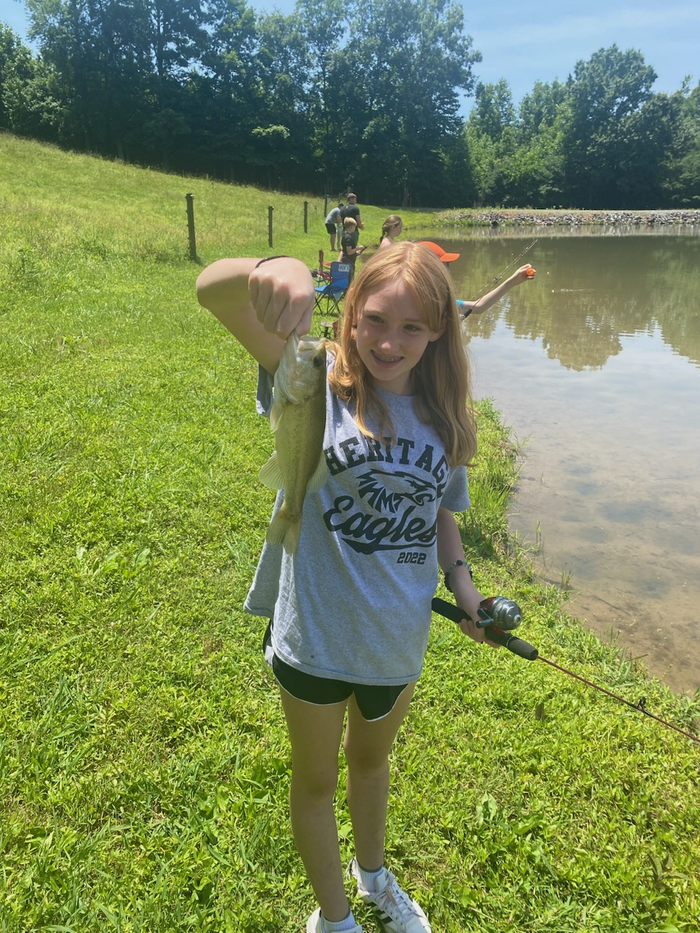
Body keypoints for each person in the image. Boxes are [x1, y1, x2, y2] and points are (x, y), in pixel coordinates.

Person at [195, 243, 495, 933]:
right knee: (317, 779)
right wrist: (278, 269)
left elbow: (441, 510)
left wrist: (466, 586)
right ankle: (334, 919)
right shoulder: (315, 377)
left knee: (371, 762)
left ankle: (373, 875)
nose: (390, 341)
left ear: (440, 331)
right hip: (316, 638)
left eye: (413, 327)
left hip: (397, 640)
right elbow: (212, 290)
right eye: (376, 318)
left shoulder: (448, 415)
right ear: (351, 313)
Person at [457, 264, 536, 317]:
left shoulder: (450, 303)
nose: (448, 268)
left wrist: (512, 282)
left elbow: (478, 307)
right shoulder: (447, 303)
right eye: (446, 264)